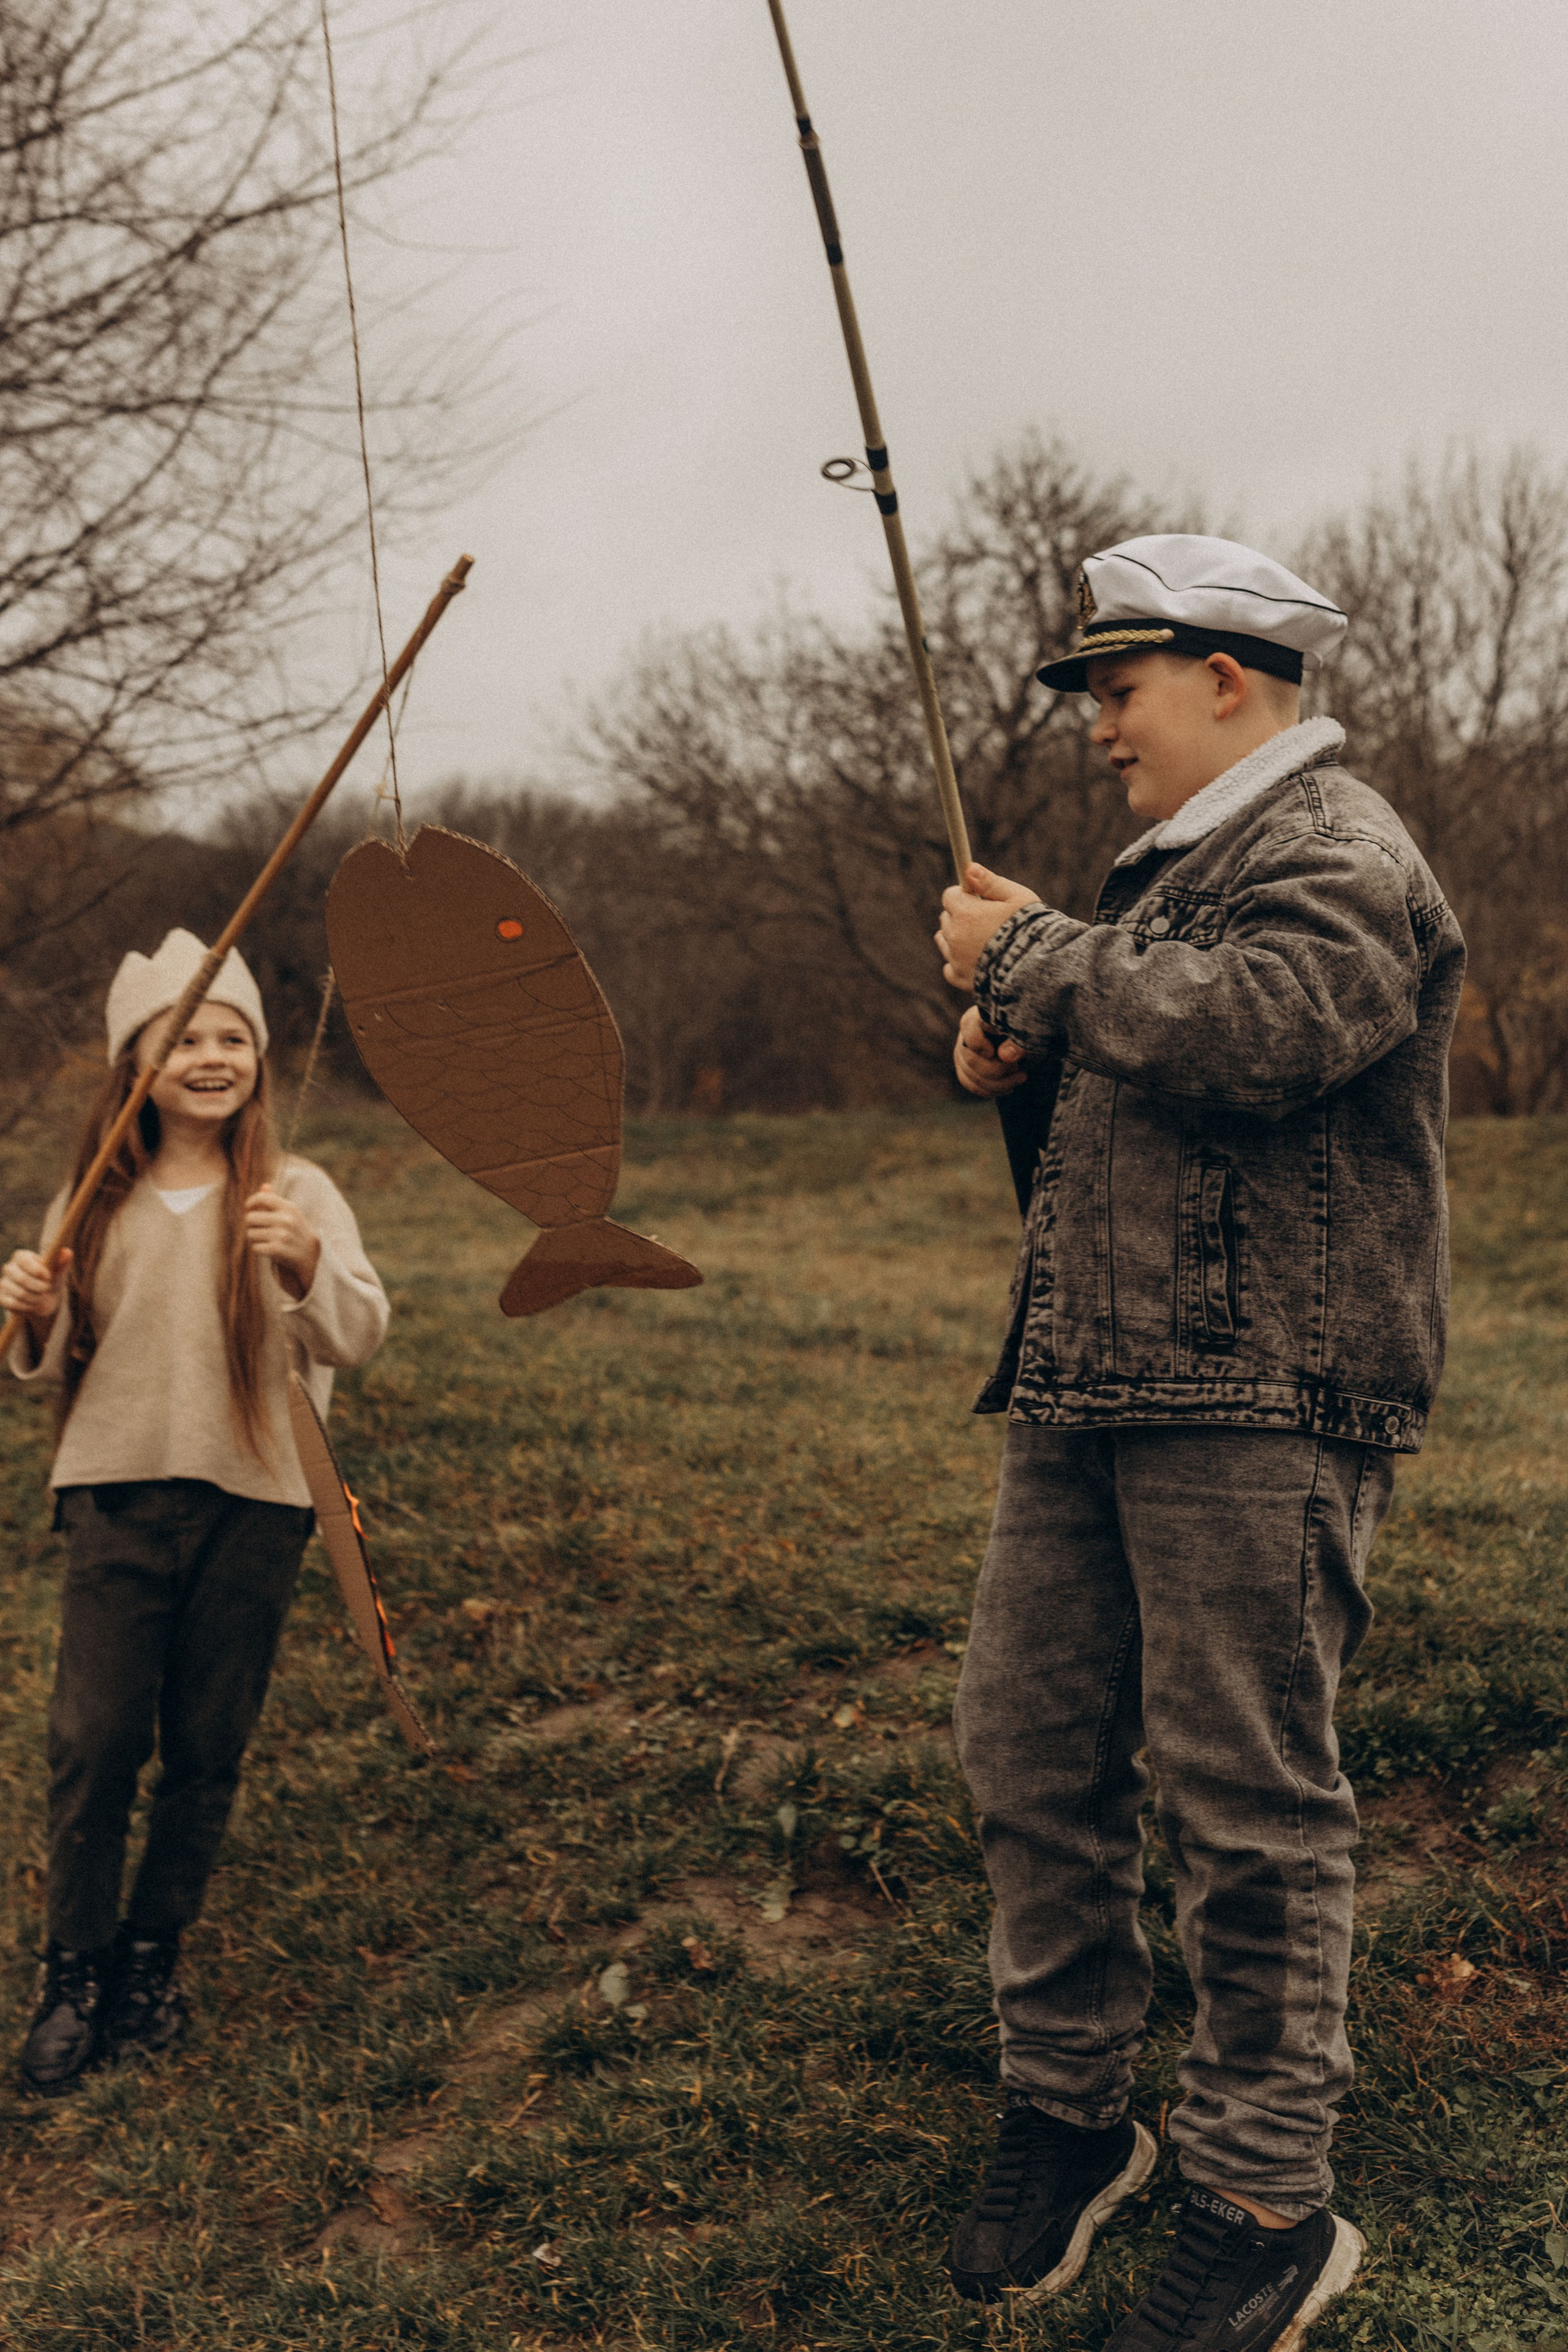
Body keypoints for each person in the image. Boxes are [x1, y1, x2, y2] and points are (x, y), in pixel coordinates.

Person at [932, 537, 1464, 2349]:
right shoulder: (1169, 873)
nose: (1097, 727)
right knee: (1026, 1748)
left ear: (1225, 678)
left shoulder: (1338, 847)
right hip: (1092, 1381)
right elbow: (1154, 1099)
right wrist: (1025, 1035)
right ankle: (1076, 2117)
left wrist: (1042, 963)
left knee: (1244, 1797)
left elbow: (1273, 1030)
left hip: (1266, 1395)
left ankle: (1262, 2195)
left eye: (1117, 688)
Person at [2, 929, 388, 2098]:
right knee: (93, 1741)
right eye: (184, 1039)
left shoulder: (296, 1191)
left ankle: (151, 1959)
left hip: (256, 1502)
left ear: (261, 1058)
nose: (211, 1057)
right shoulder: (98, 1192)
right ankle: (74, 1966)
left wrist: (307, 1261)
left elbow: (360, 1333)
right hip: (118, 1494)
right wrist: (28, 1303)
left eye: (233, 1037)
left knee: (205, 1746)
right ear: (138, 1066)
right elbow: (44, 1351)